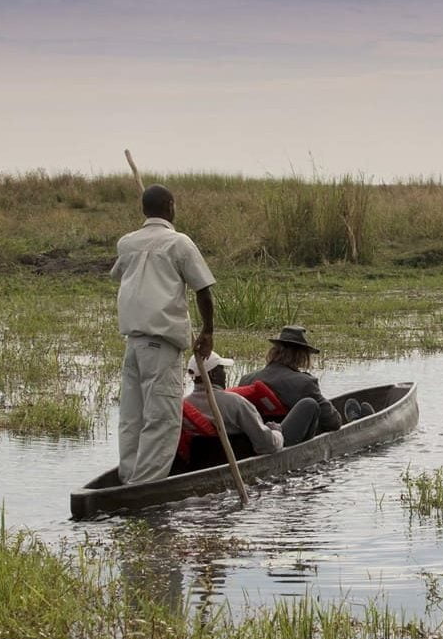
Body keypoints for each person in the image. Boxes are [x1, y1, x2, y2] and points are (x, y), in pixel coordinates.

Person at [111, 183, 215, 485]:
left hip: (134, 343)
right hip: (160, 344)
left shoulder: (127, 243)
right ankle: (143, 488)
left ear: (144, 210)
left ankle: (129, 476)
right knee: (162, 419)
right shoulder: (179, 243)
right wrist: (208, 331)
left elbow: (119, 274)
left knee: (133, 416)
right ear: (170, 207)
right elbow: (203, 289)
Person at [235, 325, 373, 436]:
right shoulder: (304, 382)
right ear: (301, 356)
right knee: (316, 409)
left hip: (256, 439)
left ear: (274, 351)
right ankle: (357, 422)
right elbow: (334, 422)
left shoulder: (246, 379)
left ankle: (358, 419)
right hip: (288, 439)